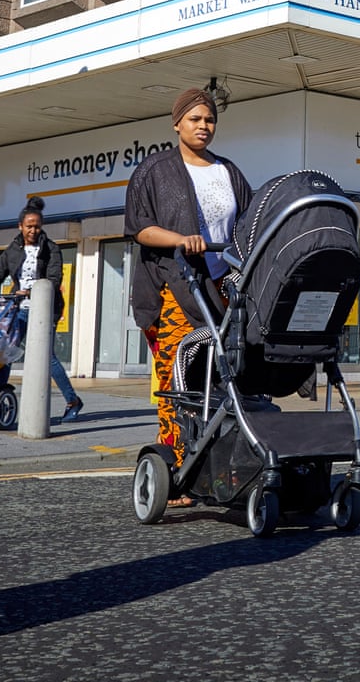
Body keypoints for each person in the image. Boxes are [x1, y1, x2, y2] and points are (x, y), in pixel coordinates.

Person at [124, 89, 252, 471]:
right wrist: (180, 240)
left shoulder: (228, 171)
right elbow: (140, 228)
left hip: (221, 289)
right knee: (178, 377)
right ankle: (176, 464)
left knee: (224, 377)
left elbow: (246, 227)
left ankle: (218, 462)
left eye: (209, 120)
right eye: (195, 119)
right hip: (173, 287)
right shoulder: (155, 170)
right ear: (177, 123)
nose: (203, 126)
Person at [0, 196, 83, 421]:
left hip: (44, 309)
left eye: (37, 226)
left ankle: (73, 400)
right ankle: (0, 396)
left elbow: (54, 279)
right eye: (29, 226)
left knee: (48, 357)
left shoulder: (51, 248)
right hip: (19, 309)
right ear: (20, 226)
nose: (33, 231)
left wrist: (32, 290)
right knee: (6, 351)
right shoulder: (13, 249)